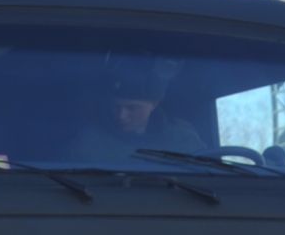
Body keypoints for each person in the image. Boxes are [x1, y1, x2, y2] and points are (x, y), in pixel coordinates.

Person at [67, 65, 202, 163]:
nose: (121, 116)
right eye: (116, 107)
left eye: (132, 108)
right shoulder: (89, 142)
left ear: (154, 104)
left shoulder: (183, 138)